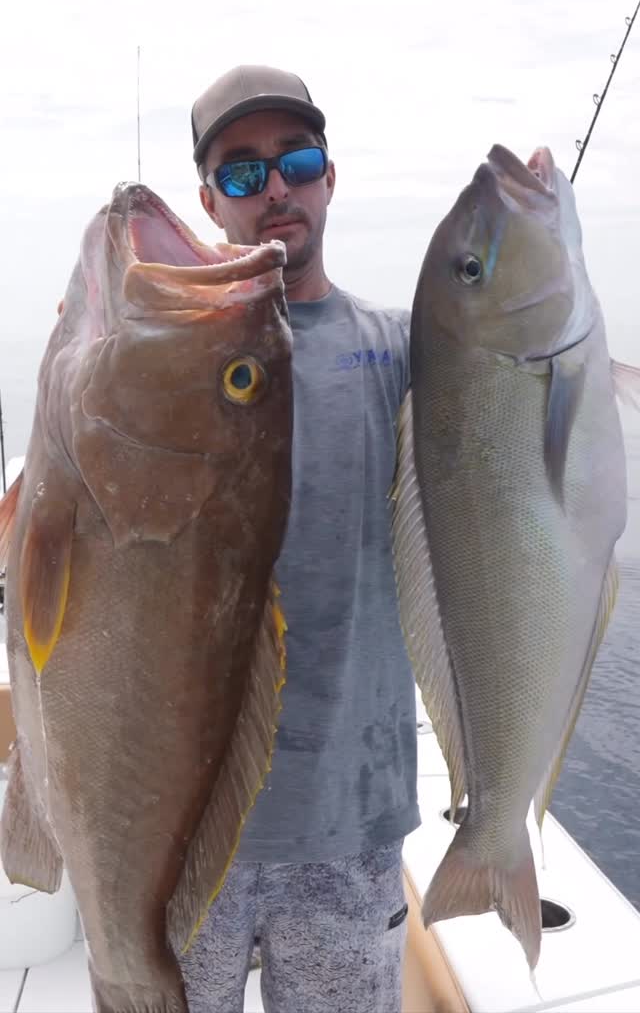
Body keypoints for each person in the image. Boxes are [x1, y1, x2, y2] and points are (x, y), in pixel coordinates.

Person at [182, 64, 420, 1013]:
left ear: (330, 178)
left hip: (350, 821)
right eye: (241, 173)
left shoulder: (403, 349)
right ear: (209, 201)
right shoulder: (166, 354)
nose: (274, 187)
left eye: (297, 160)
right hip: (187, 821)